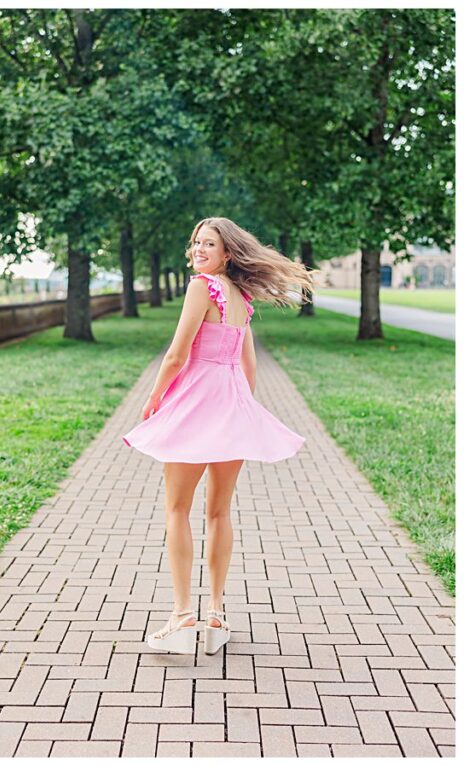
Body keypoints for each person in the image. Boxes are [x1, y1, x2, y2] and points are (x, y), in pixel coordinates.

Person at [123, 217, 312, 656]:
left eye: (208, 244)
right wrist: (242, 408)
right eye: (195, 243)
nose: (198, 250)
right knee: (219, 513)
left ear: (228, 253)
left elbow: (176, 353)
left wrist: (154, 399)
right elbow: (248, 367)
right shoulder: (241, 298)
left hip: (194, 406)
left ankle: (183, 614)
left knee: (177, 509)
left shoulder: (200, 288)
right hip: (231, 406)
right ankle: (216, 612)